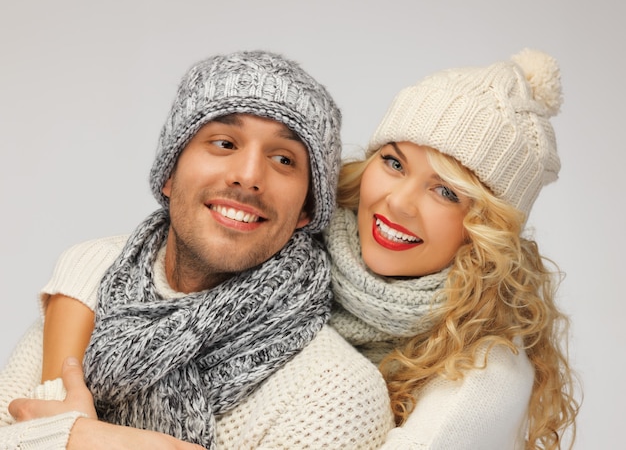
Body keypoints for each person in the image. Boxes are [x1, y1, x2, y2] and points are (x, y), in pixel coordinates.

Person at [0, 50, 394, 449]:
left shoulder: (337, 391)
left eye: (283, 159)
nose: (248, 175)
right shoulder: (90, 298)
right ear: (169, 173)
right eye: (224, 143)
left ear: (307, 209)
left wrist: (74, 437)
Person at [324, 49, 580, 449]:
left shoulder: (484, 372)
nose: (398, 203)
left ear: (485, 229)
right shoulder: (294, 258)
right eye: (394, 163)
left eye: (445, 191)